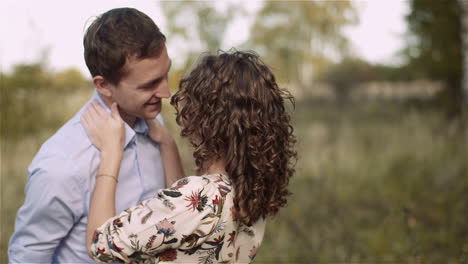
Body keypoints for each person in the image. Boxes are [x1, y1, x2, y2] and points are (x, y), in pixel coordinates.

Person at [81, 51, 297, 263]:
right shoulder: (251, 187)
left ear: (207, 121)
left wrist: (111, 152)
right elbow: (185, 221)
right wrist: (167, 143)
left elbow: (100, 244)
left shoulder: (198, 198)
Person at [8, 8, 179, 263]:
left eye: (165, 75)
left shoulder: (155, 124)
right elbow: (29, 256)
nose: (166, 92)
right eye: (149, 85)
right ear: (103, 85)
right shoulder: (61, 164)